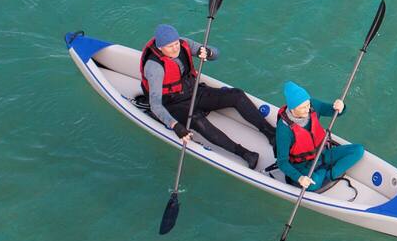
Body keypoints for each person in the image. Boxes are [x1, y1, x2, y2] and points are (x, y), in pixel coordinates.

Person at [140, 24, 275, 169]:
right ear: (160, 48)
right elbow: (155, 105)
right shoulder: (154, 67)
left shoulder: (183, 44)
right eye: (170, 46)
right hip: (173, 104)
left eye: (176, 43)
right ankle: (245, 154)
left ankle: (271, 133)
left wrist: (208, 53)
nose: (175, 48)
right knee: (198, 121)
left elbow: (216, 53)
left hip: (195, 91)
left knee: (236, 95)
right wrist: (175, 125)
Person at [274, 81, 364, 191]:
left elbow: (334, 111)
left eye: (308, 105)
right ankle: (327, 171)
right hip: (302, 165)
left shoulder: (313, 105)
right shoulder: (283, 130)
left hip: (323, 153)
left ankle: (328, 174)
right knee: (313, 185)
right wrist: (300, 178)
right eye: (303, 108)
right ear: (292, 109)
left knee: (358, 150)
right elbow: (282, 163)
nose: (307, 109)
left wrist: (341, 107)